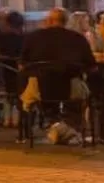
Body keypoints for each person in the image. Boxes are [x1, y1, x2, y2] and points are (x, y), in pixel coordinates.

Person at [20, 8, 94, 140]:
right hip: (71, 88)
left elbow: (23, 63)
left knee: (31, 87)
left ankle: (52, 123)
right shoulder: (77, 38)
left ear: (49, 21)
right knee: (82, 94)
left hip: (38, 88)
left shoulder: (33, 37)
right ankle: (71, 126)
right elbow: (90, 64)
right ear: (65, 21)